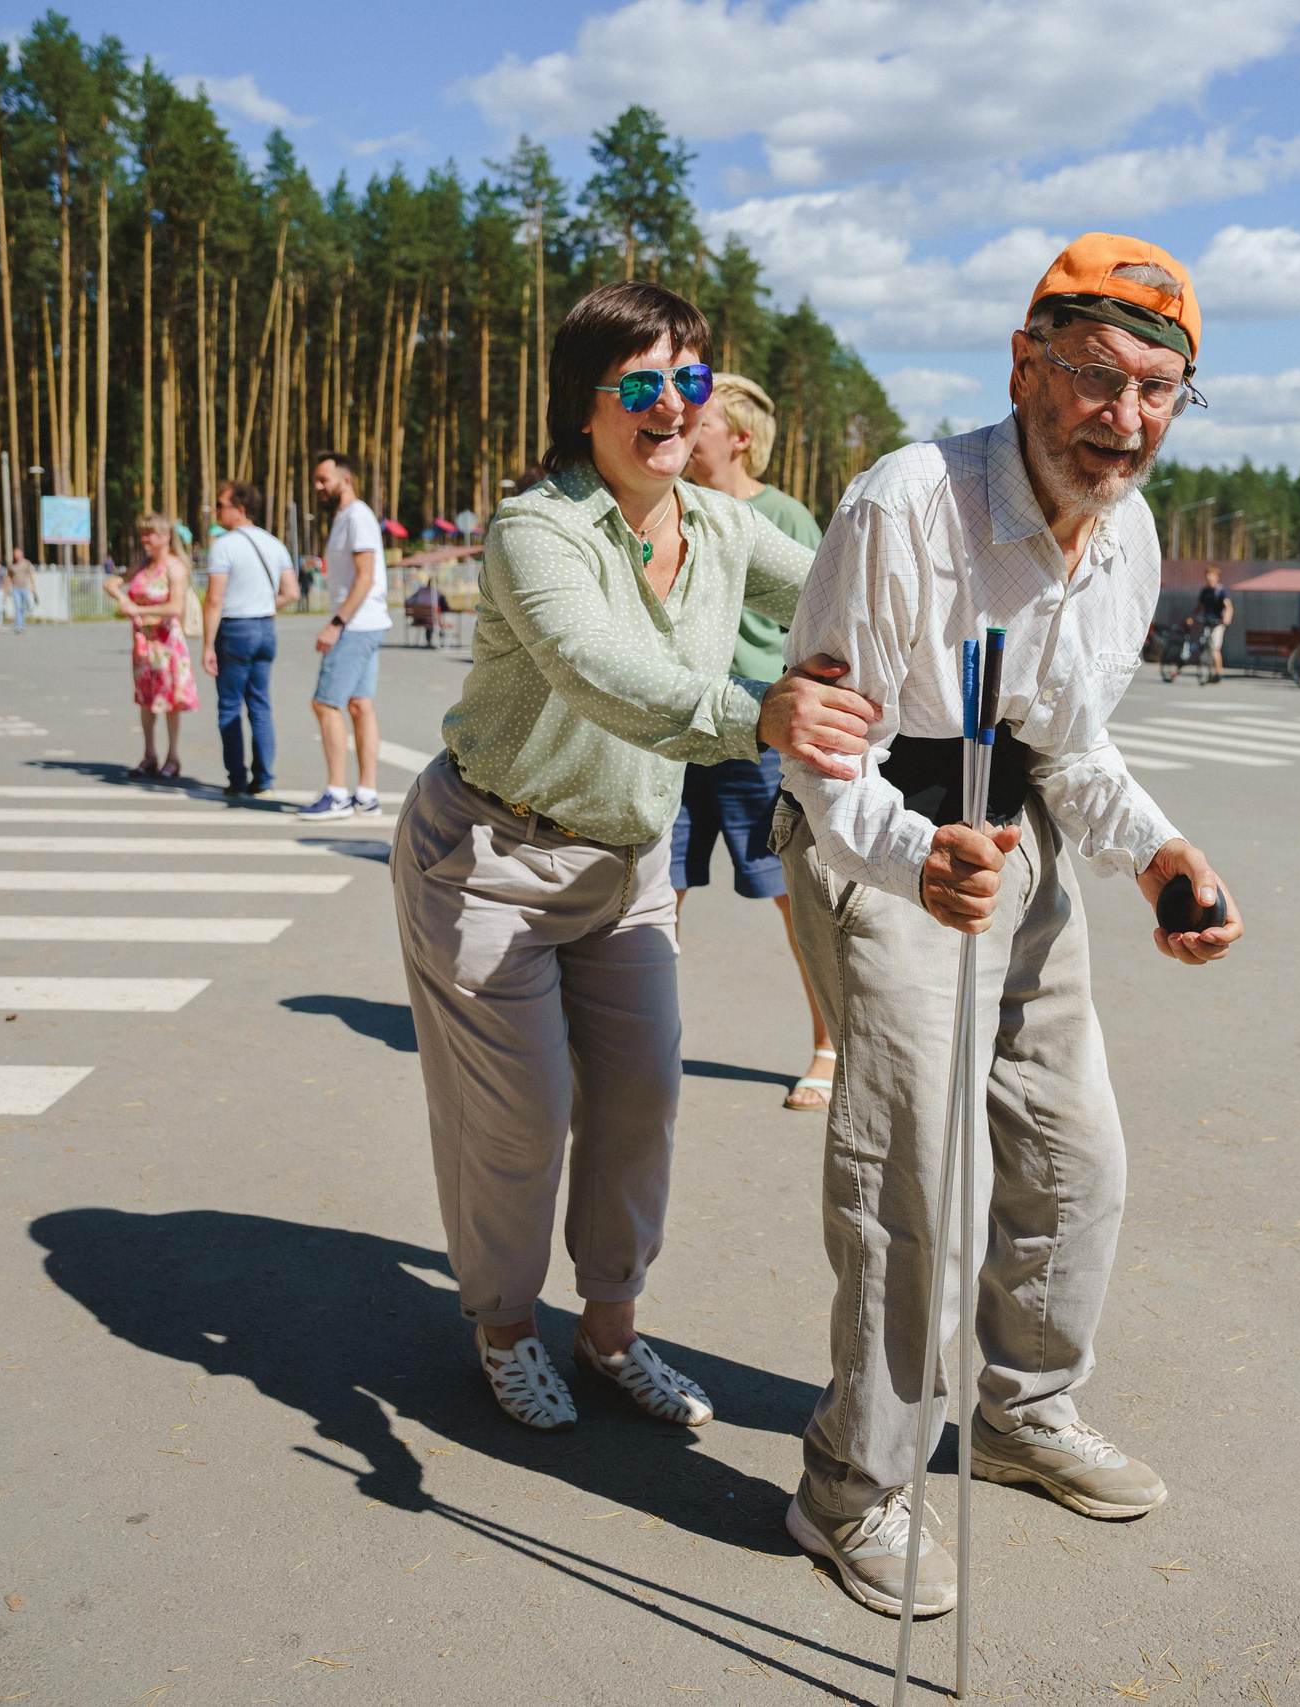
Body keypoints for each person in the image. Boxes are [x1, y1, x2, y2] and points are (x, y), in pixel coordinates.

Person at [775, 233, 1243, 1620]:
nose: (1130, 417)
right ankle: (849, 1489)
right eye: (1098, 377)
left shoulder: (1134, 533)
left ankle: (1025, 1407)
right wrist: (923, 857)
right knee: (912, 1173)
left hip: (1015, 830)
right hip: (883, 841)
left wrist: (1158, 856)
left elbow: (1073, 748)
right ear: (1027, 366)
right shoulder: (907, 504)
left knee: (1072, 1150)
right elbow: (822, 758)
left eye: (1163, 388)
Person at [389, 281, 874, 1437]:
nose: (671, 407)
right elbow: (598, 670)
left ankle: (611, 1333)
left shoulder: (716, 525)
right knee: (522, 1113)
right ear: (585, 400)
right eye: (642, 384)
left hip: (628, 867)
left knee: (642, 1101)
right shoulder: (535, 529)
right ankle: (505, 1331)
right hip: (493, 857)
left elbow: (837, 585)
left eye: (689, 382)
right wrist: (760, 715)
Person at [678, 371, 837, 1111]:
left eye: (701, 420)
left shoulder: (784, 515)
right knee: (653, 894)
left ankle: (828, 1045)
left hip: (759, 737)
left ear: (739, 437)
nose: (682, 424)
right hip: (675, 727)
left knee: (791, 901)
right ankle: (640, 1048)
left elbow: (827, 620)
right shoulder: (664, 504)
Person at [300, 452, 389, 821]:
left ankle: (336, 794)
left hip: (356, 624)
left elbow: (365, 577)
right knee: (359, 705)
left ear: (345, 479)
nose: (319, 487)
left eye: (325, 480)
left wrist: (336, 623)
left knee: (325, 704)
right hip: (367, 622)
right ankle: (366, 794)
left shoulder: (357, 517)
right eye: (317, 481)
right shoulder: (344, 518)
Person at [200, 481, 297, 799]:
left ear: (239, 510)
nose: (216, 511)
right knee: (260, 705)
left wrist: (206, 645)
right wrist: (266, 605)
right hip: (265, 628)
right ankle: (264, 778)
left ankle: (237, 779)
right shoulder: (274, 543)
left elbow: (214, 599)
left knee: (229, 707)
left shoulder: (224, 545)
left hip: (235, 630)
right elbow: (292, 592)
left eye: (220, 505)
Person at [106, 513, 198, 779]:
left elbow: (176, 607)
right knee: (146, 700)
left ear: (166, 536)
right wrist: (122, 599)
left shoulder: (174, 567)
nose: (144, 539)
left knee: (170, 700)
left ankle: (173, 756)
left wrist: (137, 608)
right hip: (143, 643)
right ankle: (149, 754)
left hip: (167, 643)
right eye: (143, 533)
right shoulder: (143, 566)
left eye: (150, 534)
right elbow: (110, 582)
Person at [1193, 565, 1232, 683]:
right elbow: (1199, 606)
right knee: (1205, 645)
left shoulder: (1220, 591)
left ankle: (1218, 673)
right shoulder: (1204, 591)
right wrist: (1192, 617)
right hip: (1207, 622)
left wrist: (1226, 618)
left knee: (1215, 647)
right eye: (1207, 575)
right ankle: (1209, 671)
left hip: (1217, 623)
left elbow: (1228, 606)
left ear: (1216, 577)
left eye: (1211, 575)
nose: (1208, 577)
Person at [7, 547, 35, 634]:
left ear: (21, 554)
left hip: (24, 588)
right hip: (15, 588)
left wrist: (33, 586)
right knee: (18, 606)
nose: (17, 556)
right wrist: (7, 587)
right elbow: (8, 576)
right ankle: (18, 625)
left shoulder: (26, 563)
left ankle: (22, 623)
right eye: (15, 555)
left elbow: (30, 575)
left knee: (23, 607)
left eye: (18, 554)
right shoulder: (12, 565)